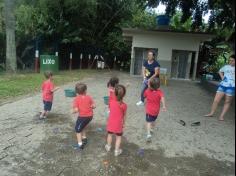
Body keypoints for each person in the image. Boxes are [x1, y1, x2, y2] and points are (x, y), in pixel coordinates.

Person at [205, 54, 235, 121]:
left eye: (232, 61)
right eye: (229, 60)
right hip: (222, 85)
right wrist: (222, 77)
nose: (230, 62)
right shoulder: (226, 66)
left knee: (227, 101)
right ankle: (211, 113)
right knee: (216, 100)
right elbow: (220, 71)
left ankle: (221, 116)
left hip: (232, 87)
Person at [105, 85, 127, 156]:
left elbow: (109, 110)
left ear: (114, 93)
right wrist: (124, 123)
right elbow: (124, 116)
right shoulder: (124, 105)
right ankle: (116, 151)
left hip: (111, 122)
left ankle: (108, 147)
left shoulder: (111, 102)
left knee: (110, 135)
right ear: (124, 95)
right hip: (119, 124)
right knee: (118, 137)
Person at [72, 83, 95, 149]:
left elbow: (76, 110)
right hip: (90, 116)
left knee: (77, 129)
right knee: (82, 126)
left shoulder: (76, 99)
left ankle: (80, 144)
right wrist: (92, 106)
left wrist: (72, 111)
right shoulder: (89, 97)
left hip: (83, 117)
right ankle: (84, 138)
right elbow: (94, 105)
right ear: (85, 90)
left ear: (76, 92)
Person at [144, 78, 166, 142]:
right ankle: (152, 129)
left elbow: (145, 98)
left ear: (150, 85)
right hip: (156, 111)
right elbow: (162, 98)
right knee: (153, 120)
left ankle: (148, 134)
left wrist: (145, 103)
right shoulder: (160, 92)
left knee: (148, 122)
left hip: (149, 110)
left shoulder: (147, 91)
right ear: (158, 86)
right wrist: (164, 106)